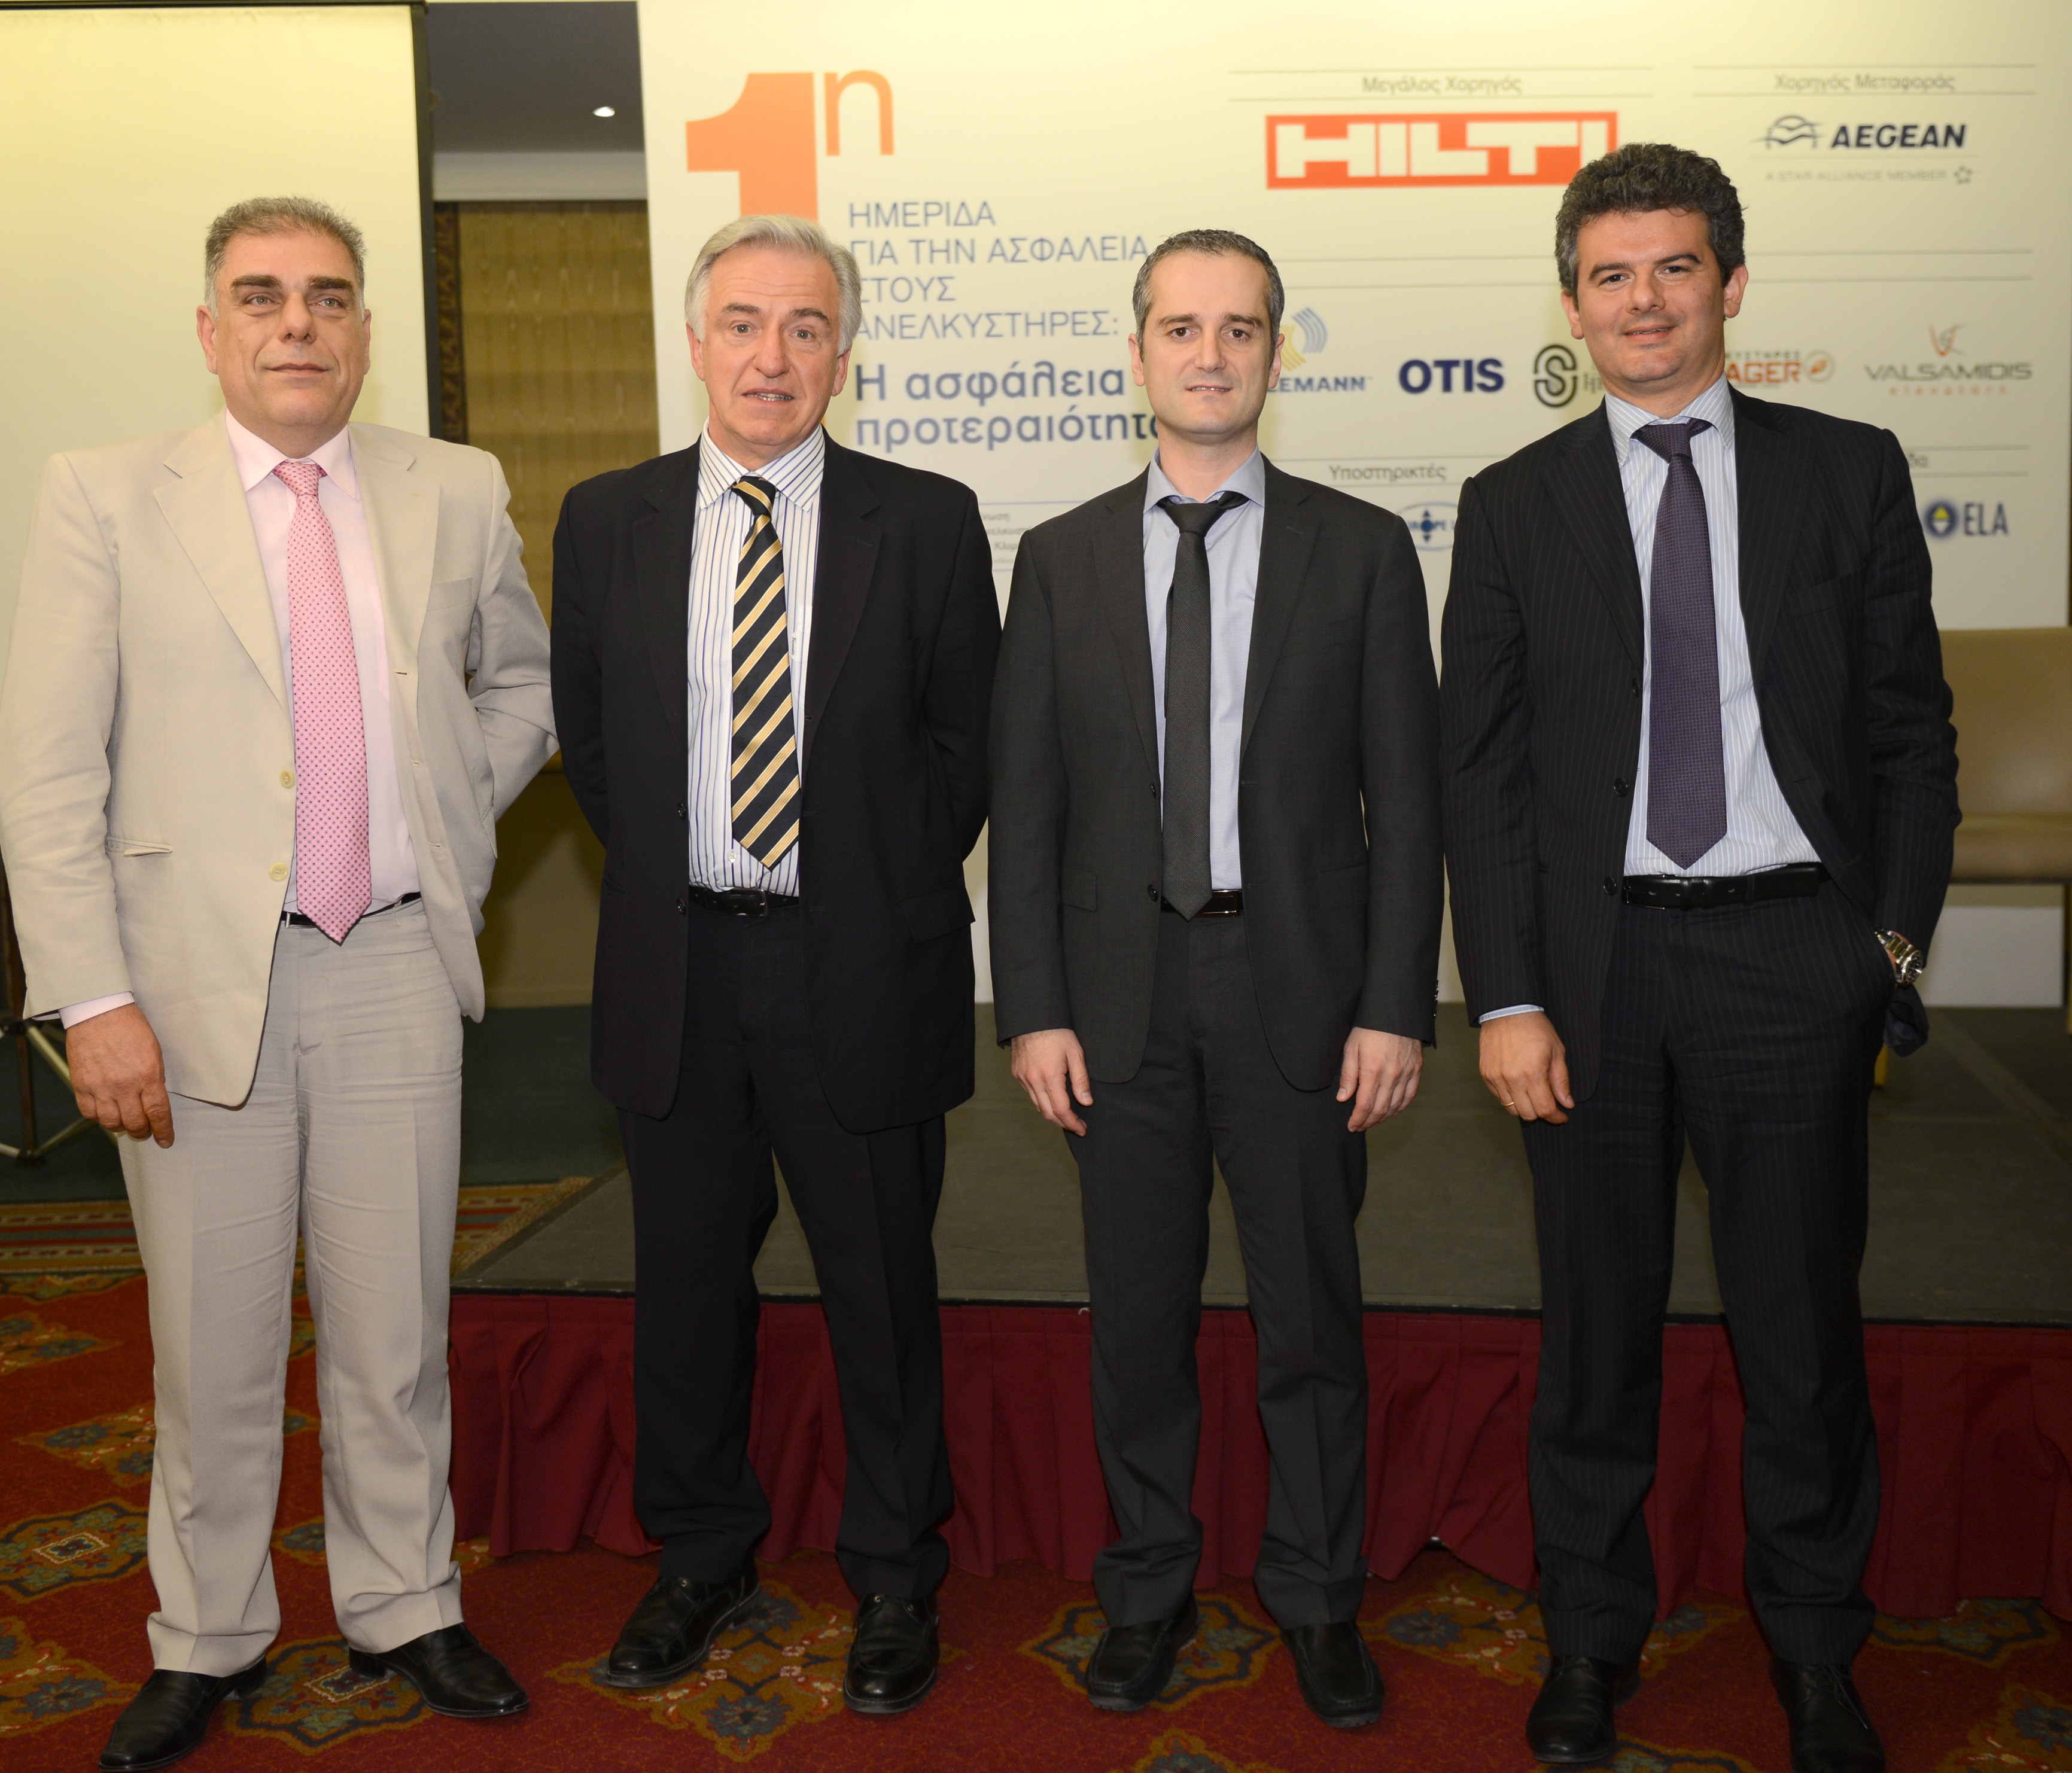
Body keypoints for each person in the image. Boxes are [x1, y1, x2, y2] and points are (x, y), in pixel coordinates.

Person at [0, 197, 556, 1771]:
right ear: (210, 329)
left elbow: (524, 683)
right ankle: (208, 1632)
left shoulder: (455, 487)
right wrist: (91, 996)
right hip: (180, 994)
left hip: (394, 963)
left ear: (365, 328)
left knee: (396, 1333)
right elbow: (48, 769)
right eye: (260, 296)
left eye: (327, 295)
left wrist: (446, 805)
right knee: (212, 1344)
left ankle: (406, 1601)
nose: (296, 322)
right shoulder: (106, 493)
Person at [1440, 143, 1957, 1771]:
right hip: (1588, 981)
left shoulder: (1846, 470)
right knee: (1593, 1338)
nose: (1643, 301)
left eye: (1673, 267)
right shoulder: (1512, 502)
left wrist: (1884, 949)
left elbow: (1909, 734)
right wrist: (1505, 994)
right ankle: (1588, 1640)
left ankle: (1813, 1647)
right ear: (1572, 304)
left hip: (1790, 959)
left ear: (1730, 283)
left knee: (1800, 1336)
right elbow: (1484, 776)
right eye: (1610, 275)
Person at [989, 230, 1442, 1729]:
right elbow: (1026, 807)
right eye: (1179, 328)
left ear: (1272, 353)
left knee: (1311, 1319)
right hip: (1112, 1001)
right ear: (1135, 354)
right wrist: (1031, 1007)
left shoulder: (1358, 550)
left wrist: (1394, 1005)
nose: (1208, 353)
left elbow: (1407, 805)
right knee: (1136, 1320)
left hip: (1299, 993)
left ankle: (1316, 1597)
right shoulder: (1056, 558)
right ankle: (1144, 1590)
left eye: (1238, 328)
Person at [550, 214, 999, 1716]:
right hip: (678, 966)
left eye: (805, 327)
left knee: (882, 1290)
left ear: (843, 354)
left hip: (856, 965)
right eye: (742, 323)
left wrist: (859, 887)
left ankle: (895, 1573)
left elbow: (964, 752)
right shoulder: (605, 520)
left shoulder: (925, 521)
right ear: (694, 342)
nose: (771, 355)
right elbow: (596, 751)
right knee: (684, 1288)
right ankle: (699, 1555)